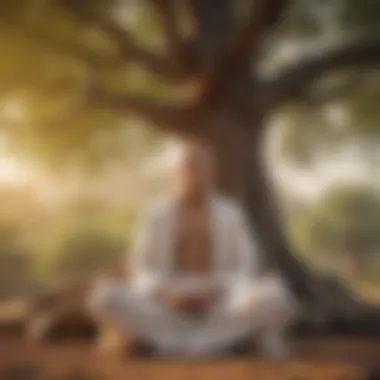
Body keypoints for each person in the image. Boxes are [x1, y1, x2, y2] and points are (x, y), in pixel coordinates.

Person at [89, 140, 298, 357]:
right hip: (168, 301)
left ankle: (161, 344)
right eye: (188, 165)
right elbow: (142, 266)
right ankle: (225, 344)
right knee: (105, 296)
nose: (195, 172)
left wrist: (218, 291)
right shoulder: (157, 213)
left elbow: (247, 264)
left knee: (277, 295)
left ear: (212, 172)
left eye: (201, 166)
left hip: (219, 300)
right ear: (175, 172)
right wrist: (166, 293)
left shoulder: (230, 213)